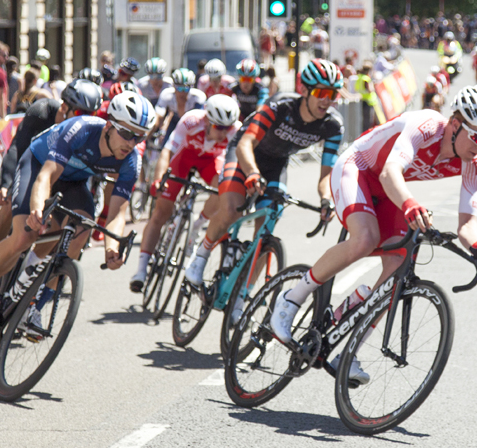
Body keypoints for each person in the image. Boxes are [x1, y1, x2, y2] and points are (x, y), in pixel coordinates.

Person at [268, 86, 477, 378]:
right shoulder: (427, 125)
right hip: (357, 169)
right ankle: (292, 298)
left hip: (387, 189)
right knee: (364, 239)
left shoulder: (473, 164)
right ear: (456, 125)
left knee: (396, 273)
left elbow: (467, 222)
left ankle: (349, 350)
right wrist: (410, 204)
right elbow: (389, 171)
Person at [0, 91, 154, 339]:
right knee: (24, 236)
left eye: (139, 136)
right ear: (109, 125)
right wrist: (36, 210)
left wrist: (112, 248)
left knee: (82, 230)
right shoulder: (81, 129)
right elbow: (46, 177)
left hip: (72, 183)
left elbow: (117, 213)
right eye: (127, 134)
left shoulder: (131, 160)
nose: (131, 143)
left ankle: (34, 306)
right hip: (38, 166)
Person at [183, 59, 344, 286]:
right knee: (231, 209)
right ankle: (200, 256)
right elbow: (245, 143)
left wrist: (326, 199)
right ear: (304, 90)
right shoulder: (280, 106)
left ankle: (243, 297)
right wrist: (251, 173)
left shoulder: (333, 126)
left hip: (276, 164)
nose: (326, 100)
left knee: (267, 228)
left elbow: (326, 175)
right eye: (321, 92)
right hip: (245, 155)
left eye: (333, 94)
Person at [0, 79, 103, 267]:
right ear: (64, 107)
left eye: (90, 114)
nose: (84, 119)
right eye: (78, 113)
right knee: (8, 205)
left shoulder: (89, 131)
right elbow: (17, 148)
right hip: (33, 168)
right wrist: (5, 185)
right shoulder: (41, 112)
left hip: (61, 178)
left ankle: (28, 271)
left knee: (61, 224)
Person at [130, 94, 241, 291]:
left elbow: (235, 164)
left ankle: (198, 224)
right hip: (183, 158)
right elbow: (167, 152)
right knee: (161, 212)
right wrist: (158, 180)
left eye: (227, 128)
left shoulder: (235, 130)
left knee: (223, 185)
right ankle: (141, 269)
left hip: (209, 161)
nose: (224, 133)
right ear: (207, 120)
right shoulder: (191, 121)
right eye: (218, 127)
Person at [156, 68, 207, 139]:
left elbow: (201, 120)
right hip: (175, 120)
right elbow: (158, 117)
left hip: (192, 122)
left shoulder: (198, 97)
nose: (182, 93)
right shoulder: (166, 94)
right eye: (179, 88)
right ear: (173, 86)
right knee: (166, 142)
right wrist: (160, 130)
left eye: (186, 89)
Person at [354, 62, 377, 131]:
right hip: (367, 102)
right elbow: (370, 90)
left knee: (363, 120)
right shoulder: (366, 79)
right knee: (367, 121)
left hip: (361, 100)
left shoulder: (359, 77)